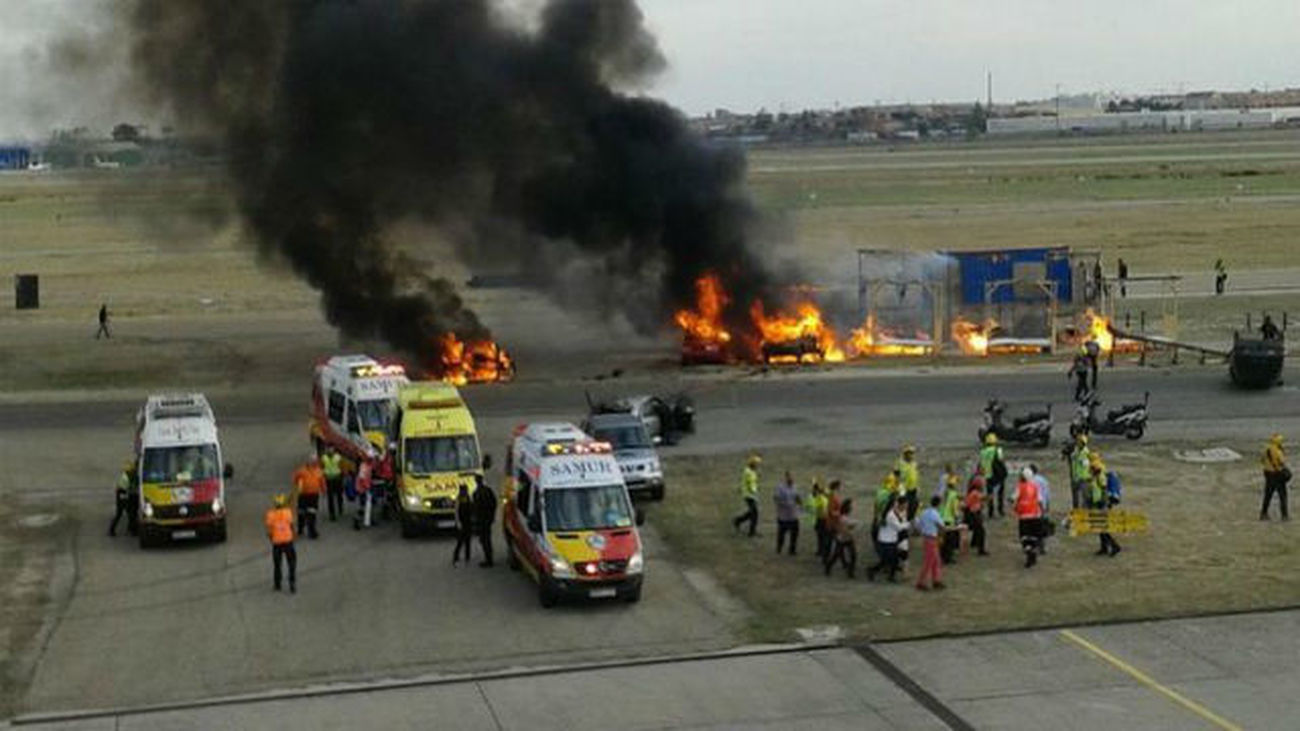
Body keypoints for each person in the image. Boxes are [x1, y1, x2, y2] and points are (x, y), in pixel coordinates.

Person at [867, 499, 908, 582]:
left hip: (889, 539)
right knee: (890, 560)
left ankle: (887, 575)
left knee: (890, 560)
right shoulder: (890, 515)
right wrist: (908, 524)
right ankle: (875, 571)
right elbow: (898, 527)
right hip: (887, 541)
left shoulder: (891, 514)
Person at [265, 494, 297, 593]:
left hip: (277, 542)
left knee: (277, 564)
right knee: (291, 562)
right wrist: (293, 535)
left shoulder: (270, 515)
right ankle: (292, 582)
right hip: (288, 541)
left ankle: (277, 584)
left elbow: (269, 530)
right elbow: (291, 525)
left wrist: (272, 537)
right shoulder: (288, 513)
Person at [1090, 456, 1121, 557]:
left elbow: (1103, 492)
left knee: (1102, 528)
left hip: (1102, 504)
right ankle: (1104, 547)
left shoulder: (1101, 478)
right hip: (1100, 503)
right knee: (1100, 528)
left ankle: (1114, 546)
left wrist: (1103, 504)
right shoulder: (1098, 476)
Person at [1013, 468, 1043, 568]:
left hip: (1024, 516)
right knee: (1033, 537)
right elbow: (1040, 500)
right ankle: (1033, 554)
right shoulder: (1035, 486)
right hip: (1035, 515)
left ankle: (1029, 553)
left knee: (1025, 537)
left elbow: (1014, 497)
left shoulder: (1020, 486)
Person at [914, 495, 945, 591]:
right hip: (932, 538)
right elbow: (941, 526)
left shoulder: (925, 512)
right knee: (929, 562)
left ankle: (936, 580)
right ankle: (921, 582)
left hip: (926, 538)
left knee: (935, 561)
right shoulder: (935, 514)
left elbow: (919, 525)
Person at [823, 498, 858, 578]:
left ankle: (829, 567)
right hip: (845, 538)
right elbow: (847, 527)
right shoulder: (843, 518)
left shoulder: (840, 516)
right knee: (851, 556)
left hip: (842, 538)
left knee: (837, 555)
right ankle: (850, 572)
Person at [293, 455, 324, 539]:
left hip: (314, 495)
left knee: (312, 513)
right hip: (303, 494)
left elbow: (322, 481)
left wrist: (323, 490)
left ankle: (312, 531)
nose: (314, 463)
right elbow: (295, 479)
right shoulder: (301, 471)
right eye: (313, 461)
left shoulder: (319, 471)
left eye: (315, 461)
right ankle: (300, 529)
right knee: (301, 512)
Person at [1261, 433, 1290, 521]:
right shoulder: (1278, 451)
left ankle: (1263, 514)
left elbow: (1262, 460)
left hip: (1268, 474)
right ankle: (1284, 516)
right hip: (1277, 474)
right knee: (1283, 496)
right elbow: (1282, 462)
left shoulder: (1266, 449)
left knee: (1267, 495)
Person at [773, 470, 801, 556]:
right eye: (790, 477)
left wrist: (800, 503)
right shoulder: (780, 488)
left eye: (792, 477)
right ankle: (779, 548)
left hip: (793, 515)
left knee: (795, 534)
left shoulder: (795, 487)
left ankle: (792, 550)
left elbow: (797, 498)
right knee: (781, 534)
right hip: (783, 516)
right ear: (786, 477)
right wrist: (784, 504)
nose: (791, 479)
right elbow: (776, 498)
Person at [473, 470, 498, 567]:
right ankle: (489, 558)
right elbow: (494, 503)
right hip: (487, 519)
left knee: (485, 540)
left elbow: (475, 509)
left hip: (482, 520)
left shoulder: (477, 493)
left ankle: (489, 560)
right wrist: (492, 516)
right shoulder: (487, 490)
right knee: (486, 539)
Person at [732, 455, 761, 537]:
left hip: (748, 495)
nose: (758, 465)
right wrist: (755, 491)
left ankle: (738, 521)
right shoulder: (749, 473)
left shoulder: (748, 471)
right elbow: (751, 485)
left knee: (752, 513)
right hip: (750, 495)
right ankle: (752, 532)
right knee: (754, 513)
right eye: (757, 464)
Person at [109, 460, 139, 537]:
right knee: (126, 514)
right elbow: (125, 490)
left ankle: (131, 529)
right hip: (123, 497)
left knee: (127, 514)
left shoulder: (128, 476)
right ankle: (131, 530)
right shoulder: (126, 478)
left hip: (123, 496)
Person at [979, 434, 1007, 518]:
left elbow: (981, 464)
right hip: (997, 475)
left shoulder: (983, 452)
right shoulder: (998, 450)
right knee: (1000, 493)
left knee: (989, 493)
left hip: (987, 475)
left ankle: (990, 511)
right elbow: (1001, 461)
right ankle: (1000, 510)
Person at [939, 475, 962, 564]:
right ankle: (948, 557)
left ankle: (942, 556)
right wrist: (957, 517)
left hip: (941, 518)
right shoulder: (954, 495)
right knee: (950, 540)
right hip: (950, 519)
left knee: (943, 539)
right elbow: (954, 508)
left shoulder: (944, 493)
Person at [963, 474, 988, 556]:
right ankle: (981, 549)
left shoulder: (971, 492)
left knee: (977, 531)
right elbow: (981, 498)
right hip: (974, 514)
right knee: (981, 531)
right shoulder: (975, 493)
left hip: (972, 513)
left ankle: (975, 544)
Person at [1029, 463, 1051, 553]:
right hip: (1042, 507)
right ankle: (1042, 547)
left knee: (1031, 528)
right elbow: (1047, 494)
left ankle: (1033, 546)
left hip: (1031, 507)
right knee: (1040, 527)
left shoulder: (1028, 481)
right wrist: (1047, 505)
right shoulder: (1043, 480)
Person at [896, 445, 920, 519]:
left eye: (912, 453)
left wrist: (918, 487)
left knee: (915, 504)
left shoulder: (914, 464)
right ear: (905, 454)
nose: (912, 455)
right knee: (903, 505)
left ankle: (910, 519)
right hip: (904, 488)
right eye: (910, 453)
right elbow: (896, 474)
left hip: (913, 488)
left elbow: (916, 475)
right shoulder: (900, 463)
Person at [320, 446, 344, 521]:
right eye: (328, 449)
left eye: (332, 449)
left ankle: (340, 507)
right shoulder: (323, 458)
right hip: (328, 479)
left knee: (339, 495)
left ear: (334, 450)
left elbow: (342, 467)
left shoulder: (338, 457)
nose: (330, 450)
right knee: (330, 497)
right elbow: (321, 467)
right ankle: (332, 514)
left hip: (337, 478)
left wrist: (342, 475)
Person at [452, 484, 474, 565]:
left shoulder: (468, 497)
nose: (465, 491)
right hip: (462, 522)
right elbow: (456, 512)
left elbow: (472, 508)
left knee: (468, 541)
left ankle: (467, 557)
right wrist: (458, 523)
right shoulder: (459, 499)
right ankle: (456, 556)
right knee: (460, 541)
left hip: (468, 522)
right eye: (463, 490)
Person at [353, 451, 375, 530]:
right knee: (362, 505)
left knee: (368, 504)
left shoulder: (369, 465)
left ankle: (367, 519)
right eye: (371, 458)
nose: (372, 460)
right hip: (361, 488)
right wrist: (367, 487)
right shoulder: (364, 466)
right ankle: (356, 521)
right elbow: (362, 478)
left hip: (365, 487)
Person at [1070, 434, 1092, 509]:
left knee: (1084, 497)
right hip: (1076, 477)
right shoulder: (1076, 451)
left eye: (1079, 442)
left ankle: (1084, 512)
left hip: (1083, 478)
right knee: (1076, 497)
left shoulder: (1085, 453)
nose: (1077, 443)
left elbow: (1086, 466)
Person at [810, 481, 830, 559]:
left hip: (821, 519)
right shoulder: (823, 497)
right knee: (823, 536)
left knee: (821, 536)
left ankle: (821, 550)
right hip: (822, 518)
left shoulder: (819, 497)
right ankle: (822, 550)